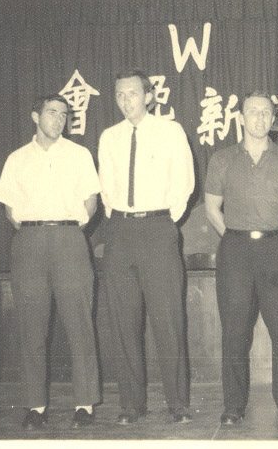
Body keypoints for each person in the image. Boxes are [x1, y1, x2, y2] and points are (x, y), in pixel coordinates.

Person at [0, 94, 101, 430]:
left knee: (79, 325)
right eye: (52, 113)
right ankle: (35, 406)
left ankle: (84, 404)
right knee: (32, 327)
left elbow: (92, 201)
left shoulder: (80, 155)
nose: (59, 119)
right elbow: (10, 209)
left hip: (70, 239)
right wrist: (35, 230)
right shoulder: (16, 159)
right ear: (35, 116)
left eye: (64, 115)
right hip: (29, 242)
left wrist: (67, 228)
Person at [98, 69, 195, 424]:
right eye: (120, 95)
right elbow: (107, 189)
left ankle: (178, 403)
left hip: (158, 228)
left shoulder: (170, 131)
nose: (126, 101)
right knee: (124, 321)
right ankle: (131, 404)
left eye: (133, 93)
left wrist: (159, 220)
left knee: (168, 319)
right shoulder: (108, 137)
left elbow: (183, 183)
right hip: (120, 230)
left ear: (149, 96)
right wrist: (123, 220)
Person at [205, 91, 278, 425]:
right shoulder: (222, 159)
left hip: (276, 249)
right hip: (235, 250)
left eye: (266, 113)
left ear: (274, 119)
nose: (260, 118)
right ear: (241, 118)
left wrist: (273, 237)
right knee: (234, 331)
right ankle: (234, 406)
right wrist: (236, 238)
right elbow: (211, 207)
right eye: (253, 112)